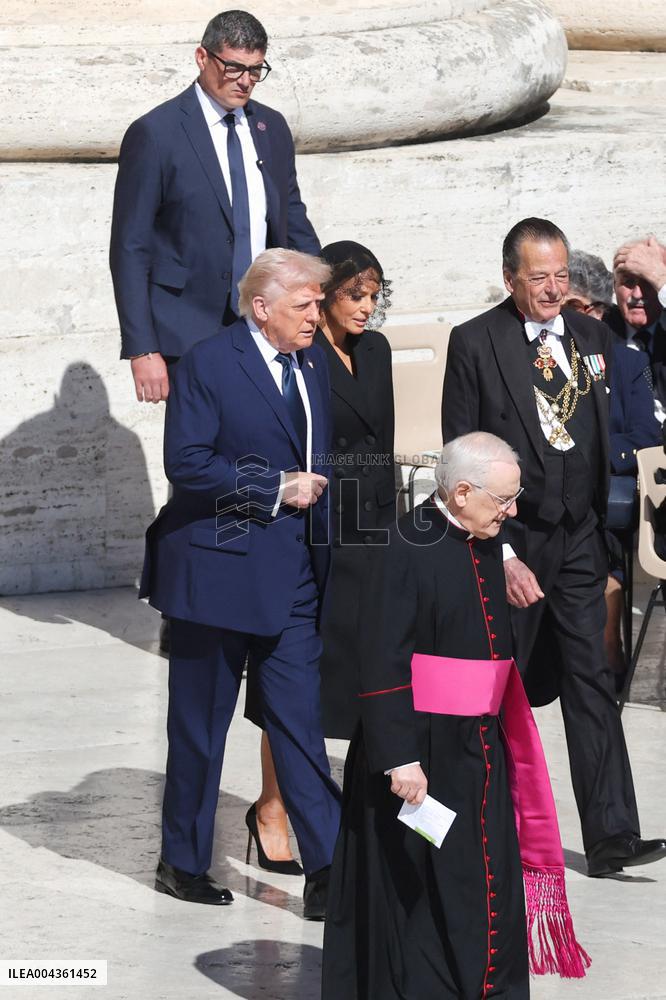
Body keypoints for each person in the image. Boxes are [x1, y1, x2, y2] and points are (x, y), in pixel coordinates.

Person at [323, 432, 590, 1000]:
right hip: (423, 751)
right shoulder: (404, 544)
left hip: (479, 748)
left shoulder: (483, 535)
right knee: (425, 890)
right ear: (461, 491)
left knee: (484, 879)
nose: (512, 512)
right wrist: (400, 757)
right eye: (503, 501)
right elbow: (381, 656)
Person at [441, 218, 666, 877]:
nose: (551, 287)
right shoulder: (475, 343)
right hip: (510, 542)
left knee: (590, 679)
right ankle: (487, 826)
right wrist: (501, 552)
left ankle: (611, 834)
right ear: (511, 277)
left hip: (576, 540)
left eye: (561, 275)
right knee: (496, 686)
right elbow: (460, 455)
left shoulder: (593, 337)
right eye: (538, 277)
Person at [139, 249, 341, 917]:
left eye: (317, 303)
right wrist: (274, 487)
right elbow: (187, 463)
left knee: (300, 728)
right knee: (200, 728)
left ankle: (331, 872)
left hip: (293, 579)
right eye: (304, 304)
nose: (317, 314)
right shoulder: (207, 362)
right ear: (261, 307)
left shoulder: (312, 363)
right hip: (216, 575)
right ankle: (183, 860)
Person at [243, 241, 395, 874]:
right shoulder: (301, 359)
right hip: (317, 530)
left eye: (374, 296)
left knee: (370, 681)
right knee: (298, 684)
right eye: (353, 296)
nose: (365, 308)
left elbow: (381, 440)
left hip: (377, 532)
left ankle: (358, 816)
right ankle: (272, 810)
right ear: (325, 298)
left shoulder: (377, 351)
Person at [109, 9, 320, 406]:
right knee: (203, 457)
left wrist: (319, 299)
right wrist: (142, 349)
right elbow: (129, 248)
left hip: (266, 321)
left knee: (268, 447)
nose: (245, 81)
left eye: (256, 70)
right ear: (202, 58)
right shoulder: (155, 134)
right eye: (234, 67)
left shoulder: (270, 127)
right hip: (187, 328)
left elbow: (293, 221)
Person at [565, 250, 660, 678]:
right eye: (573, 307)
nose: (586, 317)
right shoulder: (533, 362)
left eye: (594, 308)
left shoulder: (629, 363)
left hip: (604, 499)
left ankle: (607, 659)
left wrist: (590, 452)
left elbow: (647, 435)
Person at [605, 236, 666, 424]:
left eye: (648, 281)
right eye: (629, 282)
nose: (638, 295)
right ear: (614, 286)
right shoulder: (599, 334)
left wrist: (660, 277)